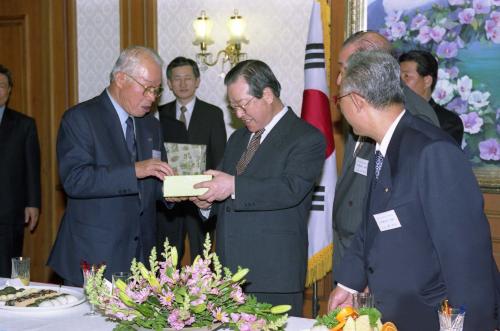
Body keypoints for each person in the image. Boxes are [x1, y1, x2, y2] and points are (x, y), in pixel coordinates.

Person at [328, 50, 498, 330]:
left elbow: (466, 258)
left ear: (357, 101)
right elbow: (371, 225)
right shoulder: (381, 146)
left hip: (430, 316)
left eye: (339, 99)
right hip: (393, 314)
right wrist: (349, 282)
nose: (339, 109)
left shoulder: (433, 151)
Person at [191, 60, 326, 317]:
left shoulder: (306, 137)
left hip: (272, 275)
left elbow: (290, 189)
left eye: (243, 105)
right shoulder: (238, 138)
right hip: (227, 275)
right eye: (234, 107)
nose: (239, 114)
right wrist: (208, 203)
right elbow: (227, 193)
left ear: (267, 94)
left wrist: (232, 185)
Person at [48, 46, 175, 285]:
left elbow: (154, 181)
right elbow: (76, 180)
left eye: (156, 90)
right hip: (94, 256)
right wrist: (135, 170)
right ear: (120, 79)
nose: (152, 97)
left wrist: (175, 192)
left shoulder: (151, 126)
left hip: (142, 259)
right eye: (147, 88)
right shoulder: (80, 118)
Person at [331, 31, 440, 285]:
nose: (338, 79)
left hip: (382, 251)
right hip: (353, 243)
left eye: (344, 68)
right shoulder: (360, 102)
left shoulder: (413, 115)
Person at [158, 56, 226, 262]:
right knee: (166, 258)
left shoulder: (213, 113)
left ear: (197, 81)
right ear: (169, 83)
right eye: (177, 79)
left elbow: (220, 155)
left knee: (202, 258)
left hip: (201, 198)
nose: (183, 83)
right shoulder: (158, 114)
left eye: (188, 78)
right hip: (168, 200)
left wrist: (211, 192)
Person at [0, 64, 41, 278]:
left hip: (10, 210)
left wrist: (33, 203)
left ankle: (18, 303)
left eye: (1, 85)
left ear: (9, 90)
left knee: (13, 269)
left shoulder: (25, 124)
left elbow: (32, 167)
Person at [399, 49, 464, 145]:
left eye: (406, 76)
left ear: (427, 81)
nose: (399, 82)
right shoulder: (393, 114)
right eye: (398, 77)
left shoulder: (449, 122)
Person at [156, 113, 188, 257]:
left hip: (172, 205)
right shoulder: (135, 125)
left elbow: (185, 163)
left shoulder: (176, 126)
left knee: (171, 262)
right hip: (138, 209)